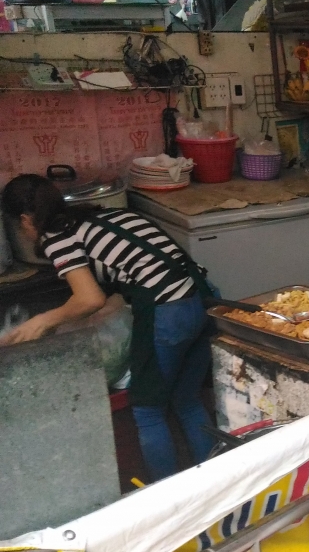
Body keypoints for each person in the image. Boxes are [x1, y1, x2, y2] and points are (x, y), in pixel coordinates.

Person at [0, 175, 216, 482]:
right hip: (205, 298)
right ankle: (216, 485)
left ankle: (166, 500)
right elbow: (126, 279)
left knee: (147, 411)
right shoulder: (105, 215)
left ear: (25, 219)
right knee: (187, 399)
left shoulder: (56, 237)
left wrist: (42, 320)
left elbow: (90, 298)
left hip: (169, 312)